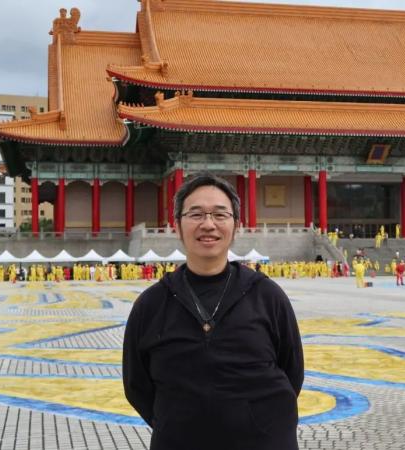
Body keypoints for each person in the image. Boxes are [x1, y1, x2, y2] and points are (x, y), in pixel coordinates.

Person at [123, 173, 304, 450]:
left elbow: (292, 371)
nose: (208, 224)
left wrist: (259, 420)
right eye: (196, 214)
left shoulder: (267, 295)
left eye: (220, 215)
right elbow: (137, 386)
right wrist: (180, 423)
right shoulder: (151, 304)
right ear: (176, 226)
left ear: (237, 225)